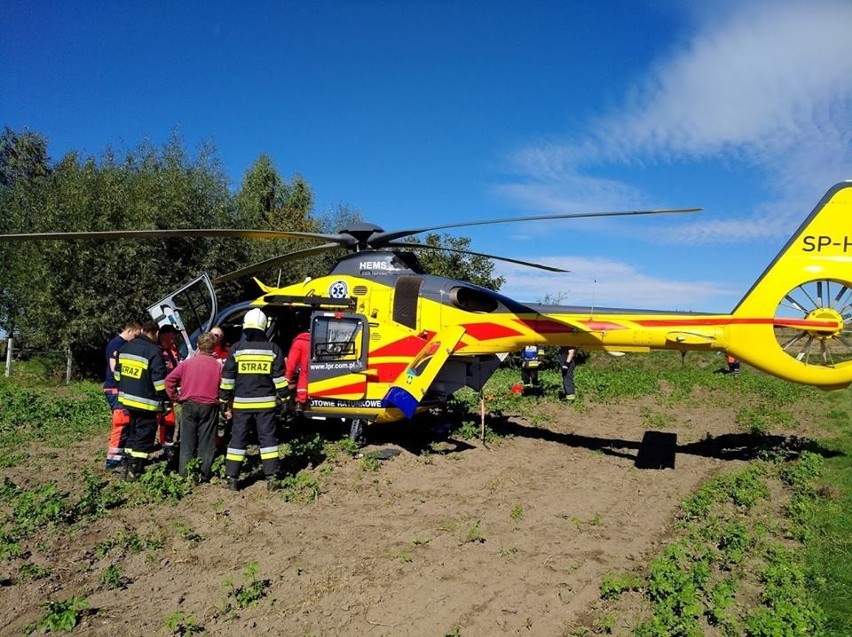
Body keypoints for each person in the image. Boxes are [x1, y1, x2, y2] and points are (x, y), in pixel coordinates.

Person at [219, 308, 289, 491]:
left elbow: (228, 378)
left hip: (242, 404)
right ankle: (272, 478)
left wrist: (223, 400)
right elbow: (279, 379)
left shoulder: (236, 349)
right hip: (266, 404)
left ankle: (232, 478)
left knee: (238, 440)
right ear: (264, 326)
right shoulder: (273, 350)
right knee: (268, 440)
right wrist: (286, 399)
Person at [165, 332, 222, 481]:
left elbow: (169, 380)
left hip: (189, 404)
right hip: (210, 405)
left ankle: (185, 474)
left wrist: (175, 397)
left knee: (187, 440)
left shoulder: (186, 364)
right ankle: (203, 474)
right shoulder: (218, 366)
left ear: (198, 346)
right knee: (207, 441)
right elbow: (225, 386)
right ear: (213, 347)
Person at [115, 321, 168, 480]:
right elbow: (159, 383)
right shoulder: (154, 352)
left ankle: (127, 464)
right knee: (144, 435)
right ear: (156, 333)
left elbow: (118, 375)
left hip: (127, 399)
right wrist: (165, 399)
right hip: (146, 402)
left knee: (133, 431)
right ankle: (135, 471)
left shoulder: (125, 348)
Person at [103, 320, 142, 471]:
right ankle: (113, 463)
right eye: (136, 336)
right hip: (115, 389)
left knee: (126, 425)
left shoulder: (119, 344)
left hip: (118, 389)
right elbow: (115, 369)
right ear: (130, 331)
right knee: (121, 425)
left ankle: (121, 458)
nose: (136, 340)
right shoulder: (116, 345)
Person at [157, 324, 183, 455]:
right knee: (162, 419)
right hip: (158, 392)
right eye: (172, 335)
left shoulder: (171, 351)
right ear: (165, 335)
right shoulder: (157, 351)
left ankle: (167, 444)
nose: (174, 339)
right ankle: (164, 444)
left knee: (169, 419)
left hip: (169, 391)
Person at [284, 329, 310, 412]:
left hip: (297, 342)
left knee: (290, 366)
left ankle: (283, 391)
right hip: (309, 343)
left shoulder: (297, 336)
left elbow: (291, 364)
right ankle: (300, 401)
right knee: (305, 371)